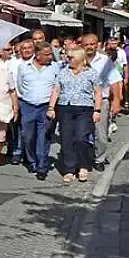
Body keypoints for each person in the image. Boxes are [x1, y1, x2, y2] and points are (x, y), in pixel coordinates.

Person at [49, 47, 103, 183]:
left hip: (84, 109)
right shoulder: (63, 72)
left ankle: (84, 166)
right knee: (66, 138)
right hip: (65, 108)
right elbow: (56, 90)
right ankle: (69, 169)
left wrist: (97, 110)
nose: (68, 59)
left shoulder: (91, 73)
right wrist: (51, 107)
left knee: (81, 138)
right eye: (67, 57)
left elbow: (97, 92)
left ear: (79, 58)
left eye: (71, 57)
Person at [15, 41, 58, 180]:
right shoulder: (23, 67)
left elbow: (57, 87)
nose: (50, 56)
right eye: (47, 54)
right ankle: (31, 160)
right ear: (38, 55)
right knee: (28, 136)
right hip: (28, 106)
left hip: (45, 107)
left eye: (51, 53)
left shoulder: (54, 67)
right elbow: (20, 86)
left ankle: (41, 166)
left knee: (43, 137)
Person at [84, 34, 123, 171]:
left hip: (102, 101)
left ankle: (99, 158)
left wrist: (117, 101)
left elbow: (114, 81)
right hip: (82, 101)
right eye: (86, 44)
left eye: (92, 44)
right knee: (81, 132)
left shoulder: (105, 60)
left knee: (101, 132)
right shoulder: (78, 59)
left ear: (97, 45)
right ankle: (84, 158)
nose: (89, 47)